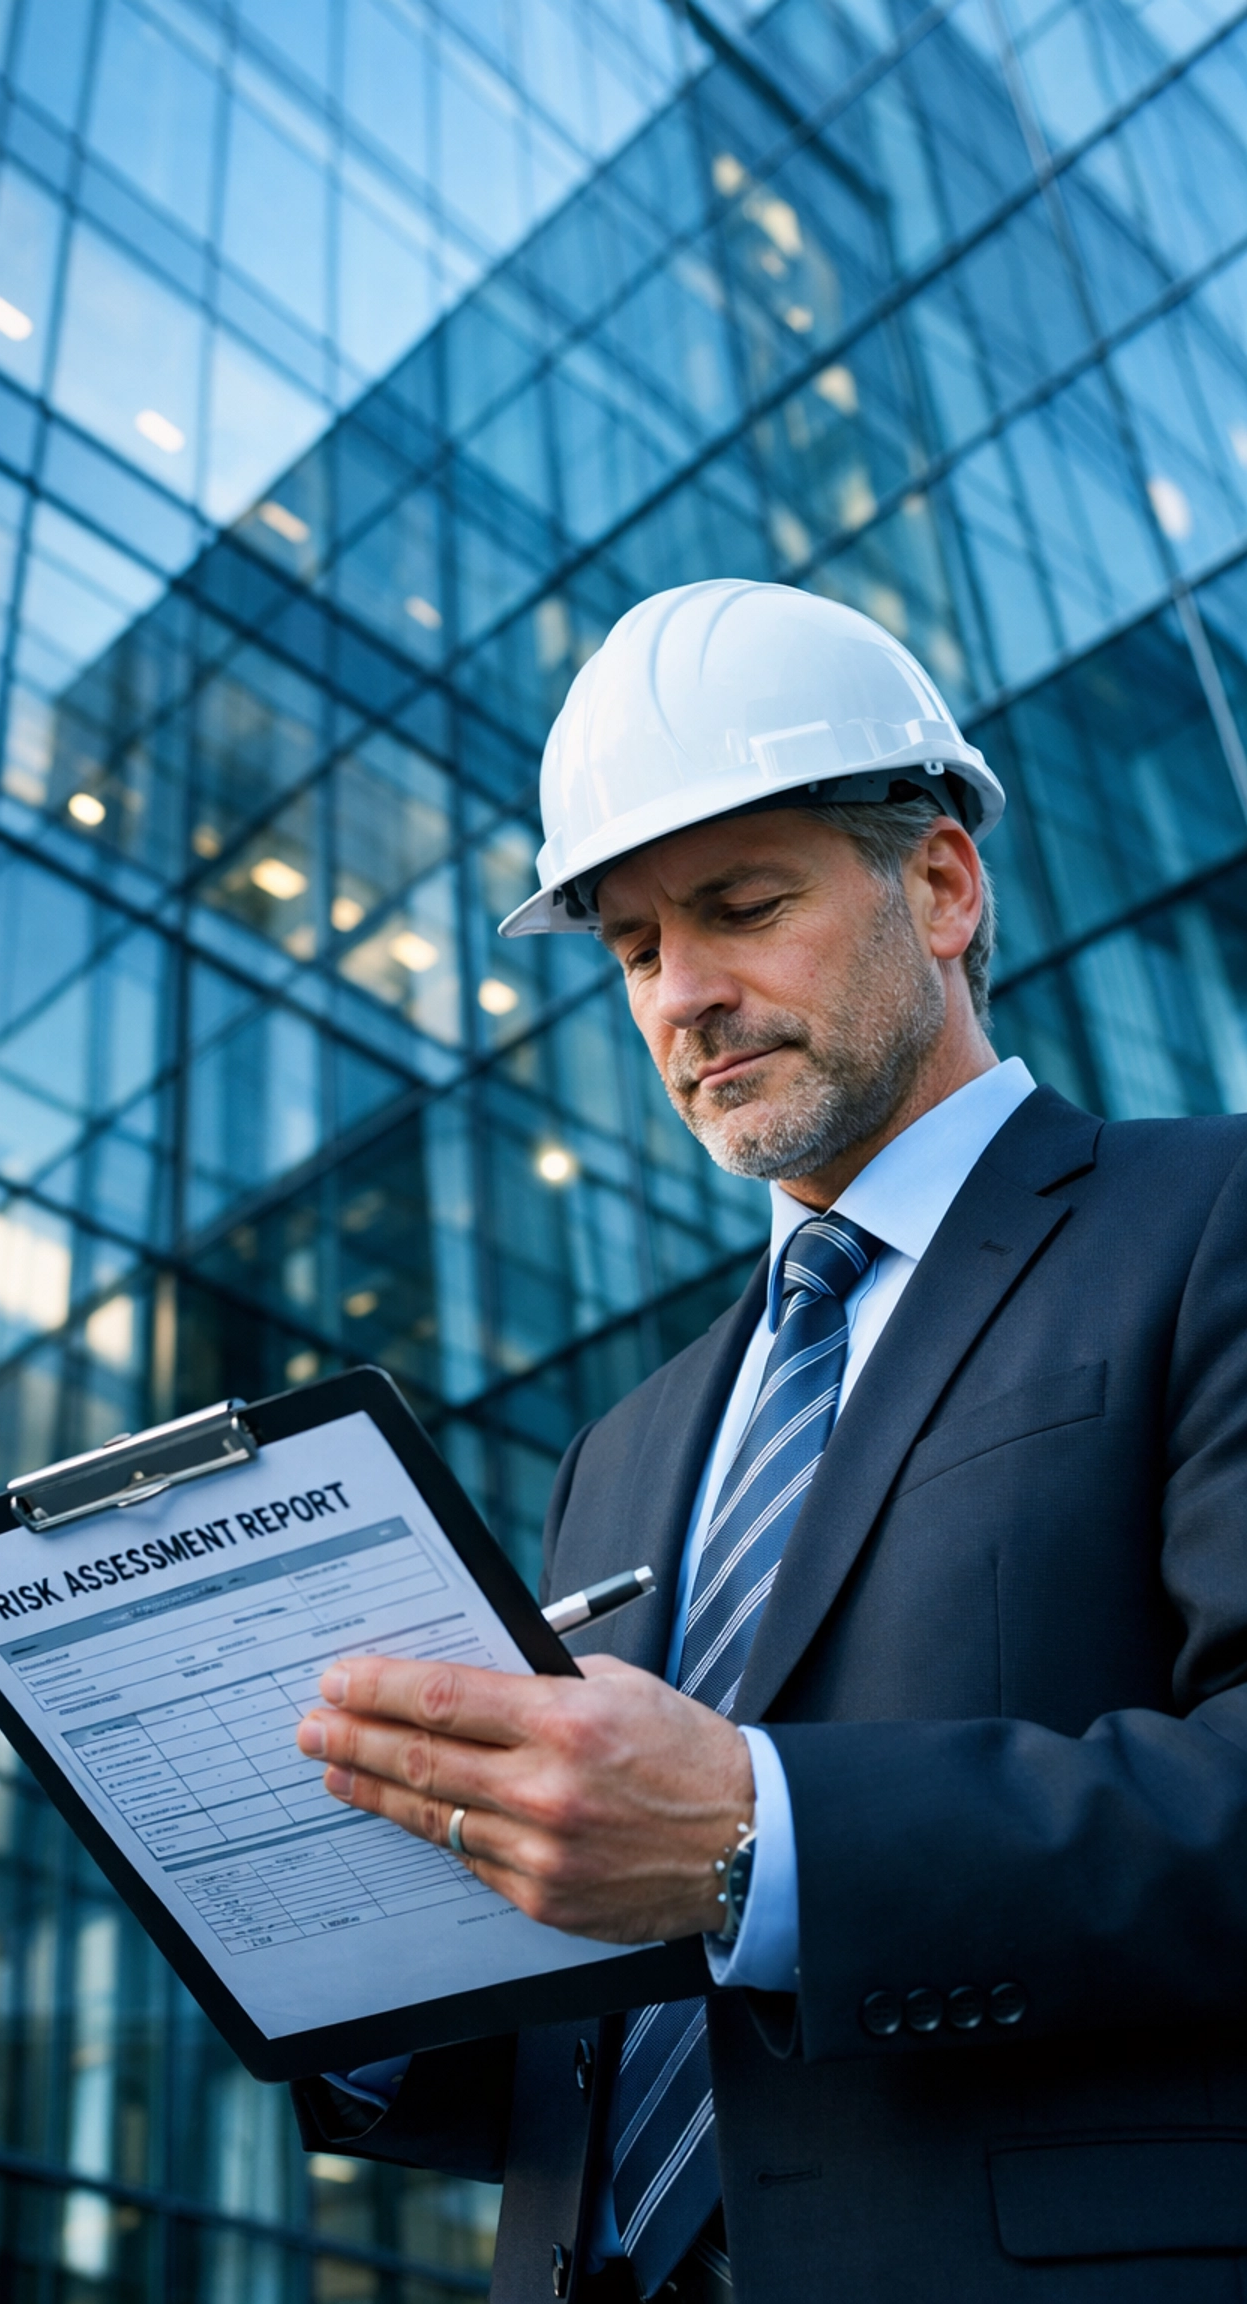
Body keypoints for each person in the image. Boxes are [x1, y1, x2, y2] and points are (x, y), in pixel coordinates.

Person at [290, 581, 1247, 2303]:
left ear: (940, 885)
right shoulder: (622, 1447)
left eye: (743, 907)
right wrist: (353, 1968)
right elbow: (612, 2024)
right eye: (635, 949)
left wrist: (763, 1839)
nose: (685, 995)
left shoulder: (1210, 1220)